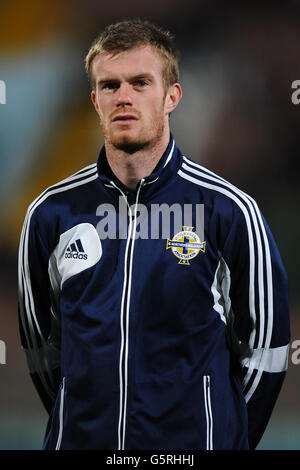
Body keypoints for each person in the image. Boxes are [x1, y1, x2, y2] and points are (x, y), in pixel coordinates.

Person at [18, 18, 290, 451]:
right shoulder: (49, 215)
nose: (123, 97)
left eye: (140, 83)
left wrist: (221, 437)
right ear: (95, 100)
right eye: (110, 86)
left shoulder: (230, 212)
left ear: (171, 97)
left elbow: (268, 353)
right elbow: (42, 353)